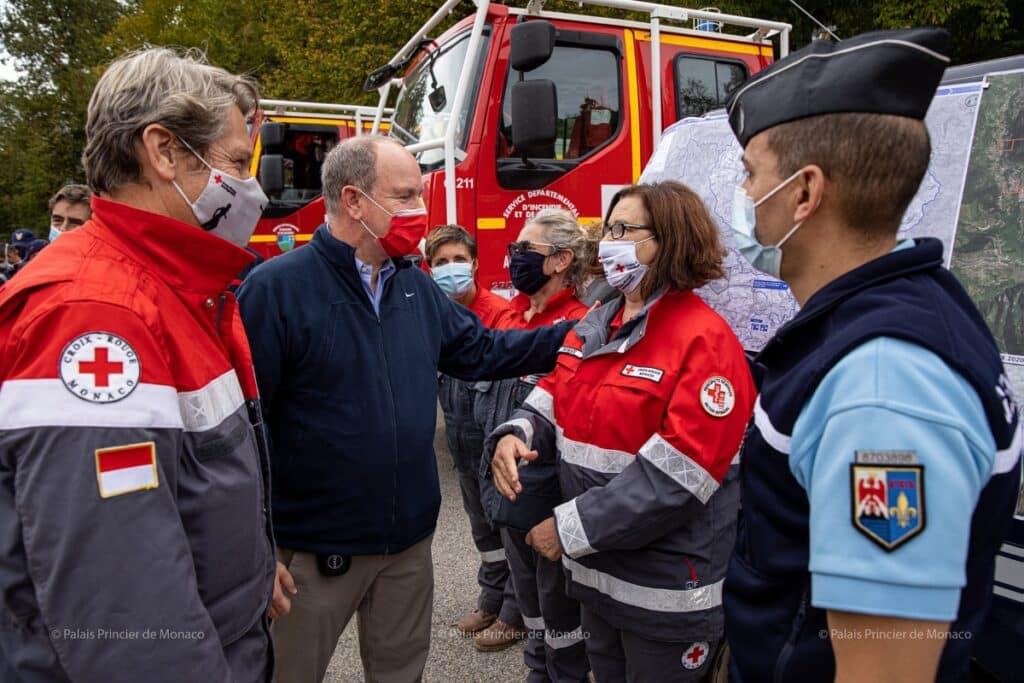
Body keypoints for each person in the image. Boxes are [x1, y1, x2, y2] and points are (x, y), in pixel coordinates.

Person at [721, 28, 1022, 682]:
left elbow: (883, 668)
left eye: (750, 174)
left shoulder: (884, 386)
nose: (740, 196)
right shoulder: (891, 311)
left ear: (805, 192)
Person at [236, 135, 575, 683]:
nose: (421, 212)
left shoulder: (414, 286)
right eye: (406, 196)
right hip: (312, 554)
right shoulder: (276, 290)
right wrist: (256, 546)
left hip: (407, 546)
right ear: (352, 200)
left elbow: (483, 351)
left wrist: (578, 335)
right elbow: (245, 430)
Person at [0, 48, 278, 681]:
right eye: (236, 162)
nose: (251, 188)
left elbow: (185, 496)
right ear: (164, 151)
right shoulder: (97, 315)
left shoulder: (176, 288)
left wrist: (252, 572)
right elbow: (124, 619)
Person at [489, 182, 754, 681]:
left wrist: (567, 529)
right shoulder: (598, 321)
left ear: (671, 241)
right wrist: (514, 432)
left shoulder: (704, 340)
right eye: (609, 229)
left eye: (625, 230)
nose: (609, 241)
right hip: (595, 578)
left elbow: (677, 474)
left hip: (664, 594)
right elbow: (551, 393)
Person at [477, 207, 593, 679]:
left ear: (562, 260)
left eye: (526, 250)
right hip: (509, 498)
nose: (514, 258)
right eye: (514, 248)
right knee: (531, 606)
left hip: (551, 504)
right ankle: (536, 670)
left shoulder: (582, 324)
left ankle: (560, 673)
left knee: (560, 610)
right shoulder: (511, 317)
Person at [425, 224, 525, 647]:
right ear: (429, 270)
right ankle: (492, 596)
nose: (451, 269)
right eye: (441, 263)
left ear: (476, 263)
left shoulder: (498, 314)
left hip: (492, 442)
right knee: (482, 528)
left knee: (508, 526)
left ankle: (515, 612)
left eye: (458, 260)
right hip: (462, 445)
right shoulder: (433, 313)